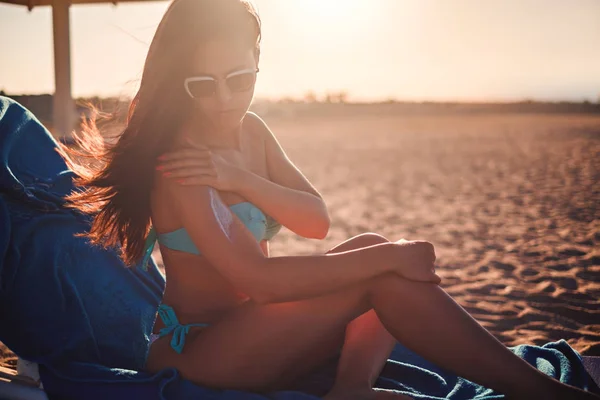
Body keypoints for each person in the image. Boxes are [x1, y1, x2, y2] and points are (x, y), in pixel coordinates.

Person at [57, 0, 599, 399]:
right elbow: (259, 280)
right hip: (205, 351)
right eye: (204, 83)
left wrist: (241, 179)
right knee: (378, 263)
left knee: (367, 246)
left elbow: (315, 221)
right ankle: (542, 394)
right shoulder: (179, 163)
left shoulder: (252, 134)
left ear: (257, 63)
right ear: (180, 83)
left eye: (239, 78)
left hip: (263, 331)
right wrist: (387, 257)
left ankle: (351, 388)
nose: (224, 99)